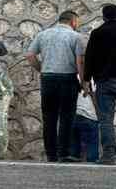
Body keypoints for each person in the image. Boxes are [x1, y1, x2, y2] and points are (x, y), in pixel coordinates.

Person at [27, 9, 86, 162]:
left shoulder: (43, 34)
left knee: (49, 118)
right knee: (67, 117)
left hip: (48, 79)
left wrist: (42, 68)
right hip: (67, 79)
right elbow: (80, 62)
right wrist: (83, 82)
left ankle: (51, 154)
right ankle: (64, 153)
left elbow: (30, 55)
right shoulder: (76, 37)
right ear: (73, 22)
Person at [83, 2, 116, 165]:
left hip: (104, 81)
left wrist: (85, 80)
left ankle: (109, 155)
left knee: (105, 120)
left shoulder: (97, 33)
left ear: (104, 17)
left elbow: (89, 58)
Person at [75, 90, 102, 162]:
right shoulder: (91, 80)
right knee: (92, 151)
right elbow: (94, 95)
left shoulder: (71, 80)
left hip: (74, 115)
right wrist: (99, 113)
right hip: (90, 116)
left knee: (73, 153)